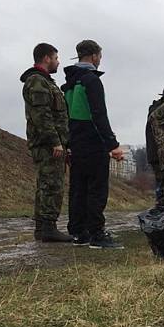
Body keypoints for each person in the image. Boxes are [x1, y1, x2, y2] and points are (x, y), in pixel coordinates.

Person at [62, 39, 125, 249]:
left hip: (76, 142)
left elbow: (66, 117)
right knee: (97, 190)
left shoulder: (69, 83)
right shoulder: (91, 80)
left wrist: (67, 143)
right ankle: (97, 234)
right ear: (95, 56)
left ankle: (79, 233)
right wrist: (112, 144)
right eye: (100, 56)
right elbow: (99, 114)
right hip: (93, 142)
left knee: (78, 189)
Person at [20, 42, 72, 242]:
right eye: (56, 58)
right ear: (46, 58)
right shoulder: (37, 82)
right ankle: (48, 227)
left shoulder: (45, 82)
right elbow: (42, 115)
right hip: (48, 144)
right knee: (51, 185)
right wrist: (55, 142)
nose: (58, 62)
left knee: (46, 184)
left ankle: (43, 228)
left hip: (51, 142)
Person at [145, 98, 164, 207]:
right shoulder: (162, 111)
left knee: (161, 182)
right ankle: (162, 207)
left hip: (155, 155)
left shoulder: (154, 111)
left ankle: (161, 206)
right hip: (160, 155)